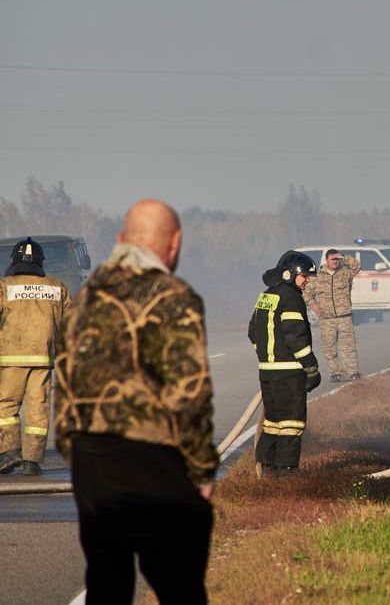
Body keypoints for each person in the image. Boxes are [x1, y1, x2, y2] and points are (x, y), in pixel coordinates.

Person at [54, 199, 218, 605]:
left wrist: (77, 455)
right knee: (179, 582)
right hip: (153, 459)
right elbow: (189, 393)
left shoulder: (87, 297)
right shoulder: (173, 296)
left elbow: (64, 378)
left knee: (107, 580)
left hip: (92, 461)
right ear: (174, 244)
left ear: (121, 240)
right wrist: (201, 470)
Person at [0, 237, 71, 475]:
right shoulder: (57, 286)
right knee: (38, 409)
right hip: (43, 359)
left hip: (10, 359)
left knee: (7, 406)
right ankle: (32, 462)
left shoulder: (5, 286)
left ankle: (9, 452)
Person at [249, 250, 321, 475]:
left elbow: (253, 332)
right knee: (292, 424)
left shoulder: (267, 295)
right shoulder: (291, 298)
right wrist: (311, 368)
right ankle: (287, 471)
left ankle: (267, 467)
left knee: (273, 422)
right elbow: (296, 337)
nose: (307, 280)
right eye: (304, 276)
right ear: (290, 274)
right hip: (289, 373)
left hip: (268, 373)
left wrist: (267, 356)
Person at [303, 249, 361, 382]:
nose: (335, 262)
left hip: (344, 317)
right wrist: (315, 307)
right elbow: (307, 294)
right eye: (332, 259)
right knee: (330, 348)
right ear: (326, 260)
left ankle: (352, 372)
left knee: (348, 347)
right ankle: (335, 373)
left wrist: (344, 257)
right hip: (327, 319)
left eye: (336, 259)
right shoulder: (317, 276)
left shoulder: (345, 273)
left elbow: (357, 266)